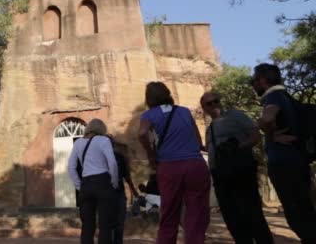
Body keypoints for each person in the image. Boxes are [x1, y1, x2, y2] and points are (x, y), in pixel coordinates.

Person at [138, 82, 210, 244]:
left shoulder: (149, 115)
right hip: (194, 165)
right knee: (196, 213)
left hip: (170, 167)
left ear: (148, 98)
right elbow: (198, 141)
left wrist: (151, 154)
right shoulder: (183, 111)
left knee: (169, 214)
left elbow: (142, 133)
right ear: (168, 94)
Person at [252, 63, 316, 243]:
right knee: (304, 209)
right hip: (297, 160)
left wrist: (269, 134)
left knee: (297, 214)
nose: (254, 85)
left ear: (263, 80)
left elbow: (268, 118)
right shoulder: (286, 97)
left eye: (254, 80)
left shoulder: (273, 96)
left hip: (284, 163)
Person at [200, 91, 274, 244]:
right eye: (209, 103)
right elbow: (212, 151)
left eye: (216, 100)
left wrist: (237, 146)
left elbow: (255, 136)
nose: (214, 105)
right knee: (232, 218)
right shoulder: (210, 128)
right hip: (221, 176)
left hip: (241, 172)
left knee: (253, 214)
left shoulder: (235, 115)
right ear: (204, 108)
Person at [68, 118, 119, 244]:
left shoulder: (78, 143)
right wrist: (114, 182)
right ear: (102, 129)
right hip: (103, 181)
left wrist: (79, 185)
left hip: (86, 183)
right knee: (105, 224)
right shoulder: (104, 140)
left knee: (87, 225)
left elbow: (70, 167)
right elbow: (112, 163)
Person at [108, 140, 139, 244]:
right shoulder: (119, 156)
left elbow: (126, 176)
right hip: (115, 193)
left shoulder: (118, 156)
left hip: (111, 193)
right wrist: (134, 191)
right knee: (118, 224)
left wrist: (134, 192)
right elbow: (127, 177)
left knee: (111, 224)